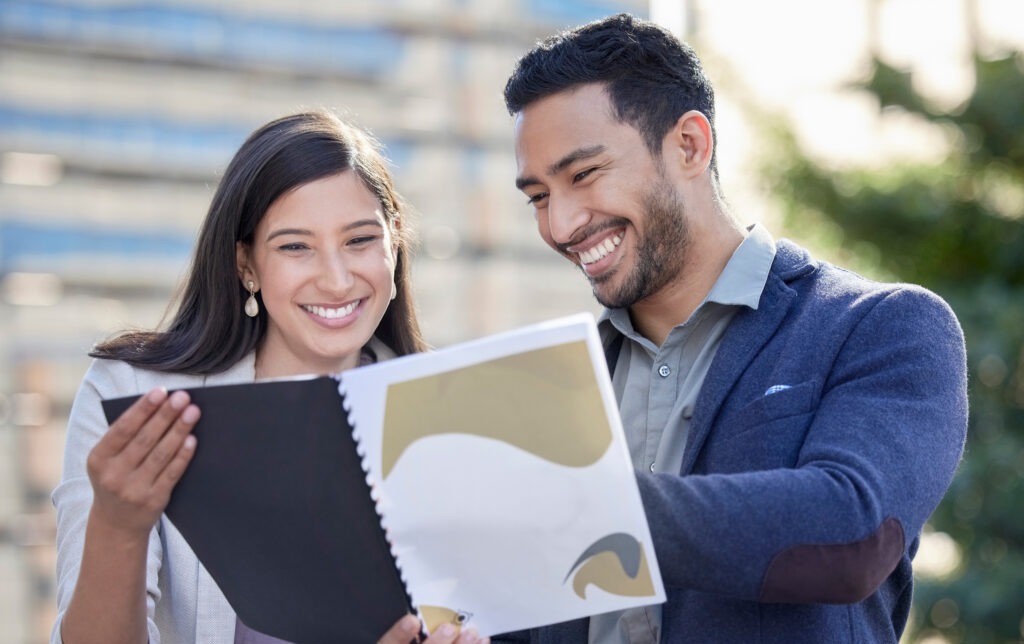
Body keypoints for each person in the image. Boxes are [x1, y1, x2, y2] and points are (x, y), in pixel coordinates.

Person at [498, 13, 968, 644]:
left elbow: (850, 532)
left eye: (583, 175)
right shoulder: (551, 389)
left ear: (689, 145)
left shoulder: (881, 328)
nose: (561, 224)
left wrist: (587, 504)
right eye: (537, 196)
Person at [51, 110, 487, 644]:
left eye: (359, 240)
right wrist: (119, 526)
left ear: (394, 246)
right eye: (294, 246)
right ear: (246, 265)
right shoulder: (131, 394)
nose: (336, 279)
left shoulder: (453, 417)